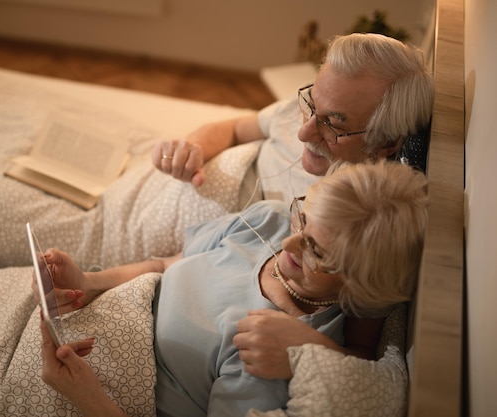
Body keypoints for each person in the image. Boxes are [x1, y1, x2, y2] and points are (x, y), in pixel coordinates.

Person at [37, 160, 429, 417]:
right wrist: (89, 282)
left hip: (81, 388)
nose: (289, 244)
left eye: (317, 251)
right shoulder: (271, 220)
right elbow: (162, 265)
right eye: (303, 219)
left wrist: (87, 399)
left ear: (360, 283)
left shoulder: (270, 349)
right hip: (86, 318)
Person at [151, 32, 433, 201]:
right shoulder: (312, 105)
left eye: (333, 124)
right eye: (310, 104)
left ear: (387, 144)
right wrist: (191, 148)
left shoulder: (345, 211)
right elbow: (236, 128)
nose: (303, 133)